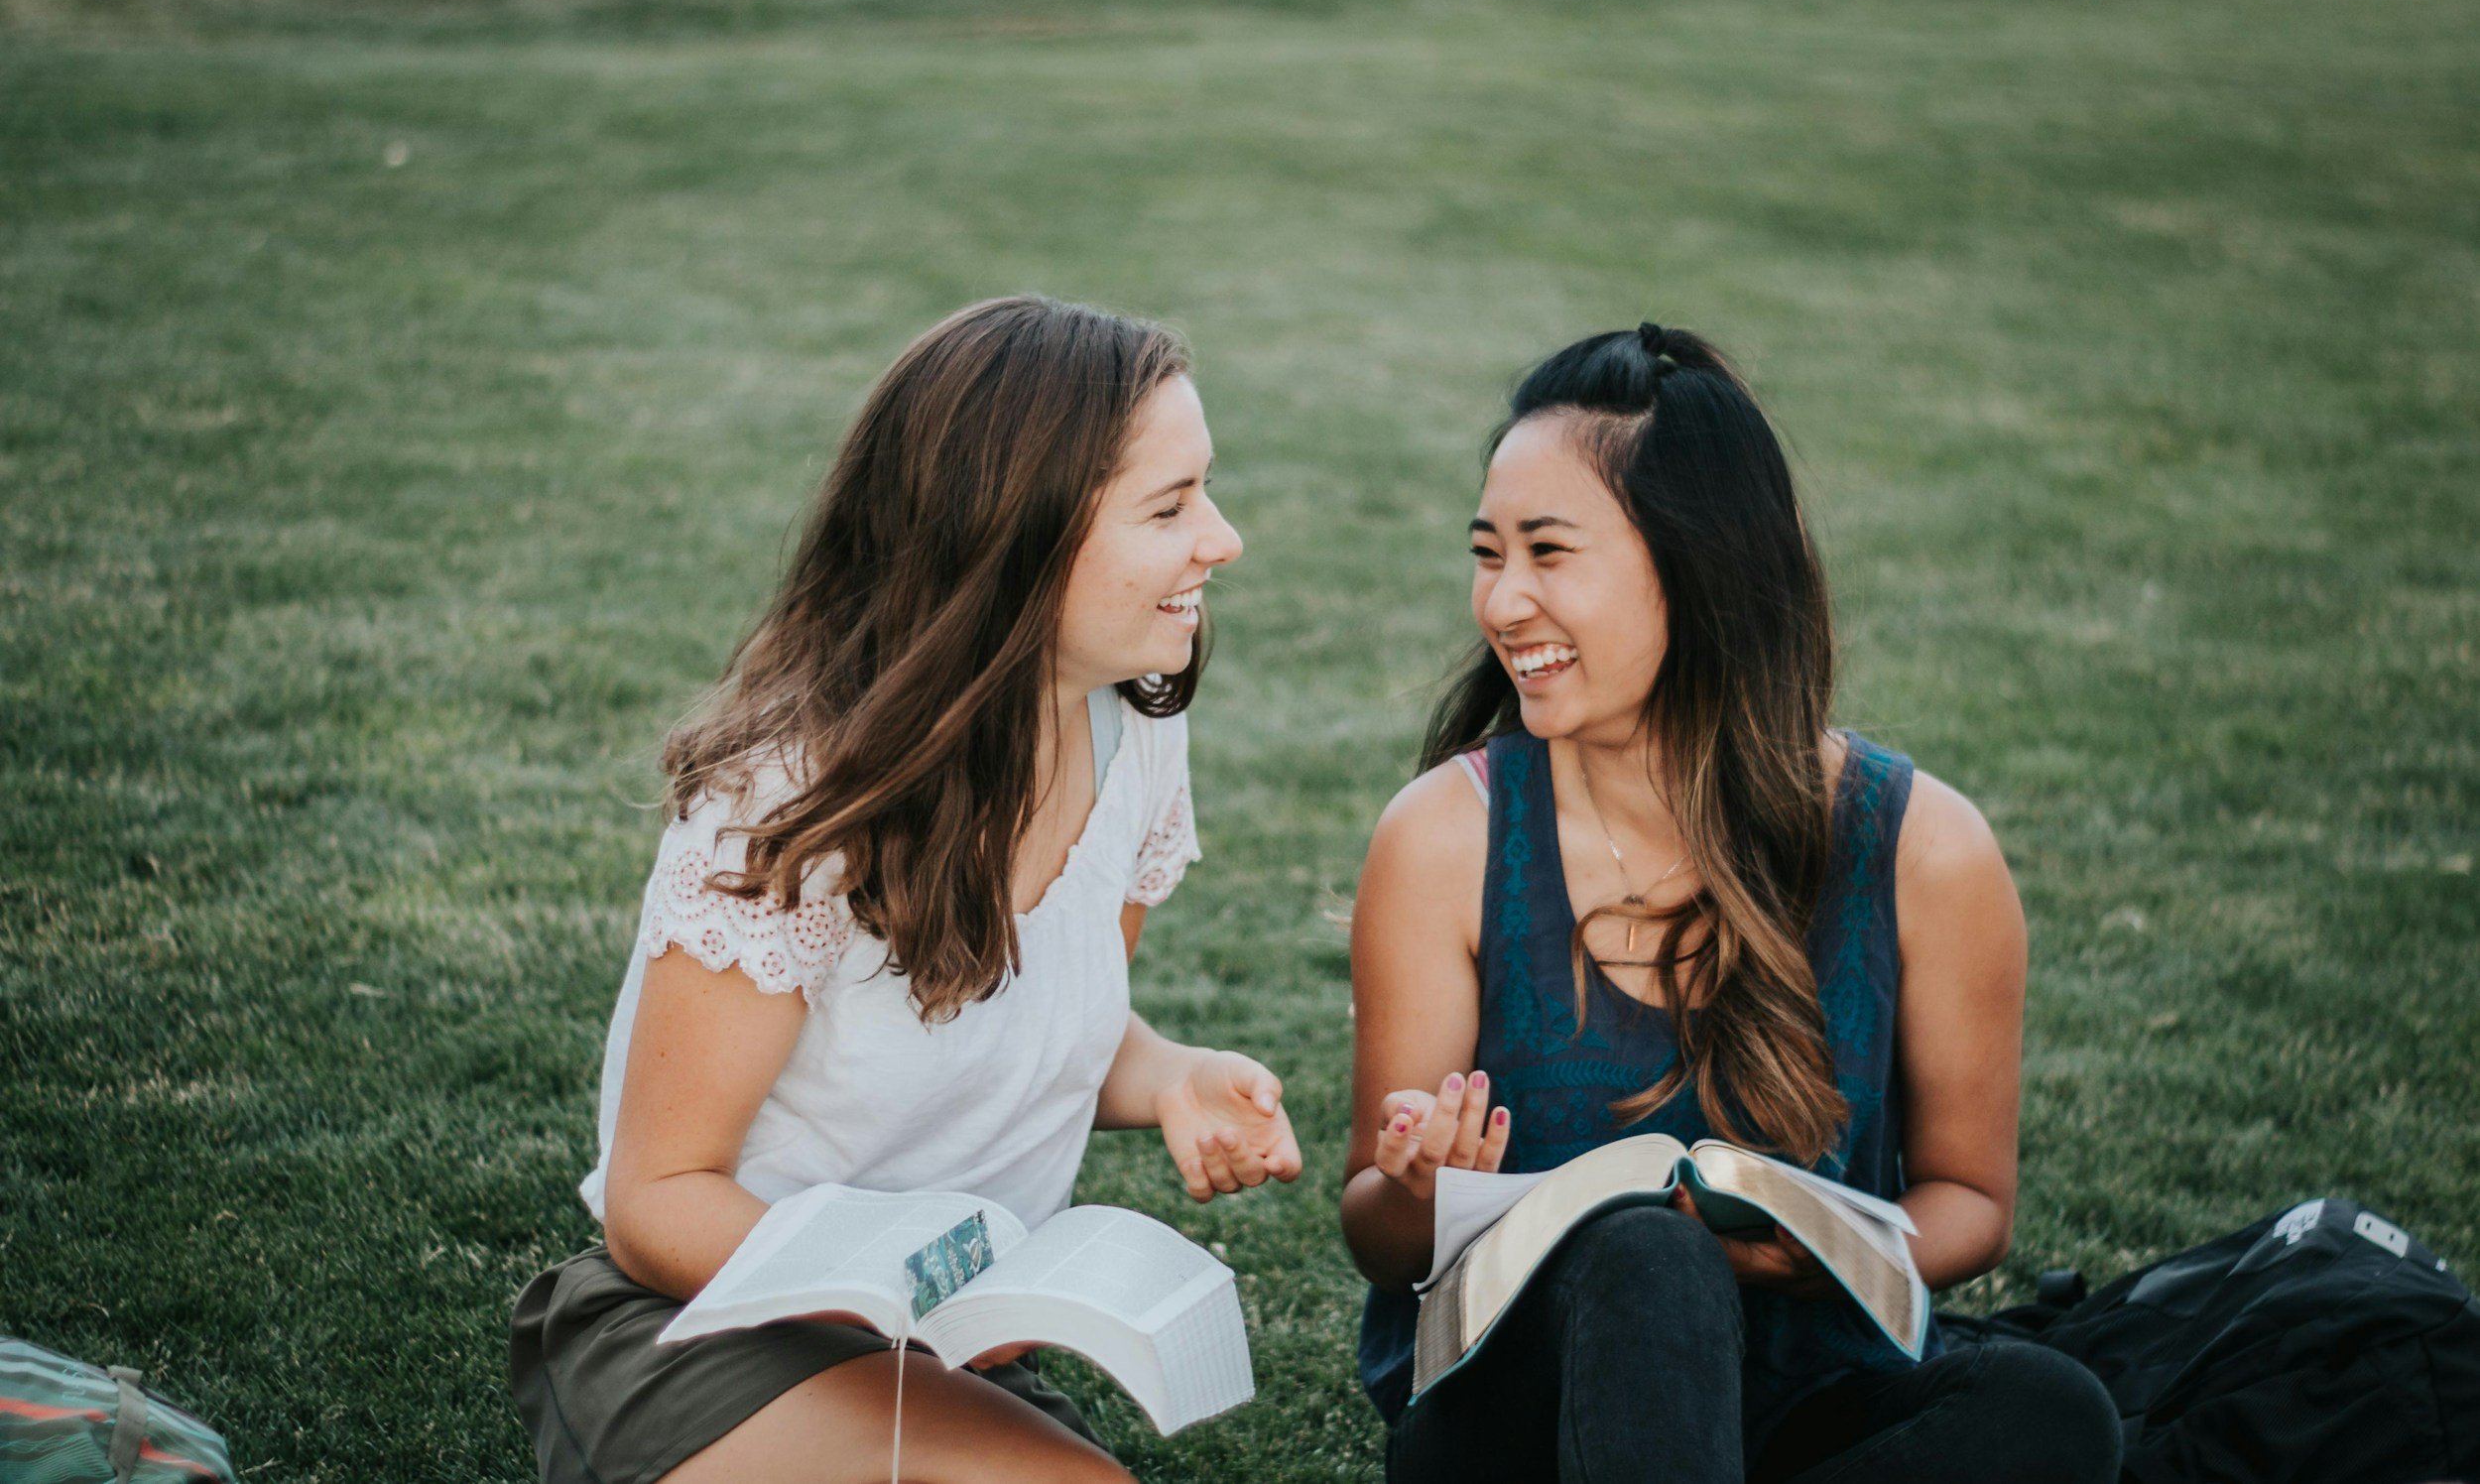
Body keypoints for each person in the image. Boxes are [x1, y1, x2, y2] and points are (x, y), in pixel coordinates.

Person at [510, 296, 1301, 1484]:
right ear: (1015, 536)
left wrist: (1173, 1075)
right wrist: (915, 1293)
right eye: (1170, 505)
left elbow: (1051, 1019)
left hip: (943, 1346)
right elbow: (656, 1198)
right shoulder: (787, 801)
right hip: (709, 1323)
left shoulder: (1137, 729)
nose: (1222, 538)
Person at [1339, 323, 2123, 1482]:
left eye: (1549, 552)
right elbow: (1376, 1231)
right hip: (1522, 1418)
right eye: (1487, 550)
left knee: (2052, 1409)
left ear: (1696, 562)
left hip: (1808, 1391)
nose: (1503, 601)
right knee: (1651, 1258)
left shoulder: (1925, 846)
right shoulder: (1443, 835)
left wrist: (1826, 1250)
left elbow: (1969, 1198)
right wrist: (1421, 1186)